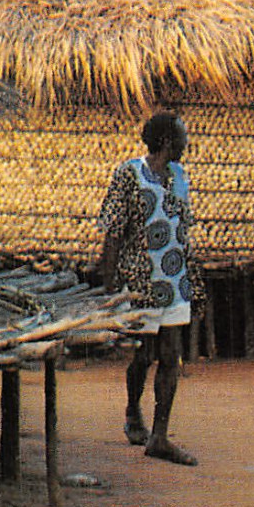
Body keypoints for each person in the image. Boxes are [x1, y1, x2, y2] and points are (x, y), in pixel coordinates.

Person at [95, 110, 198, 466]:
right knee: (144, 355)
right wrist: (110, 288)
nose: (187, 143)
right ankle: (132, 410)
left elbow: (182, 228)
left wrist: (190, 279)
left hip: (175, 281)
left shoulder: (180, 176)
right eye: (183, 137)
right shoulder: (129, 174)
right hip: (139, 282)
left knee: (171, 356)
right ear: (168, 141)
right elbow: (112, 230)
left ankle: (159, 436)